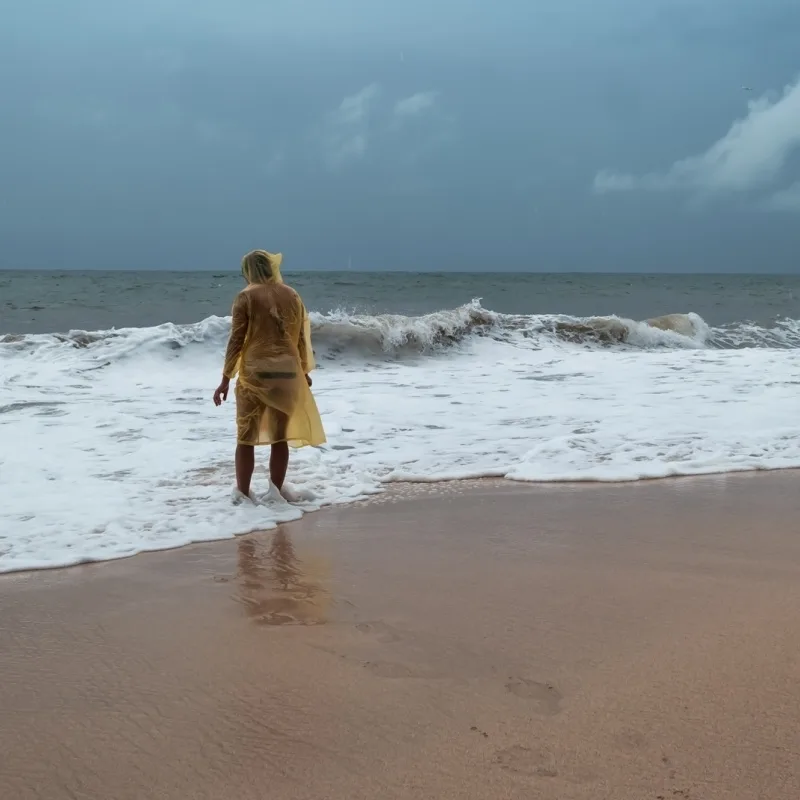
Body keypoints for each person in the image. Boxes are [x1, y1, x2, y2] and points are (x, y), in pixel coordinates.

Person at [213, 250, 326, 504]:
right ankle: (275, 494)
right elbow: (299, 337)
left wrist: (225, 379)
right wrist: (304, 372)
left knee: (245, 438)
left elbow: (236, 341)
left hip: (255, 374)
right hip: (287, 374)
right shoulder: (292, 295)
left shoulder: (245, 297)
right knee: (279, 437)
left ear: (249, 271)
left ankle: (243, 495)